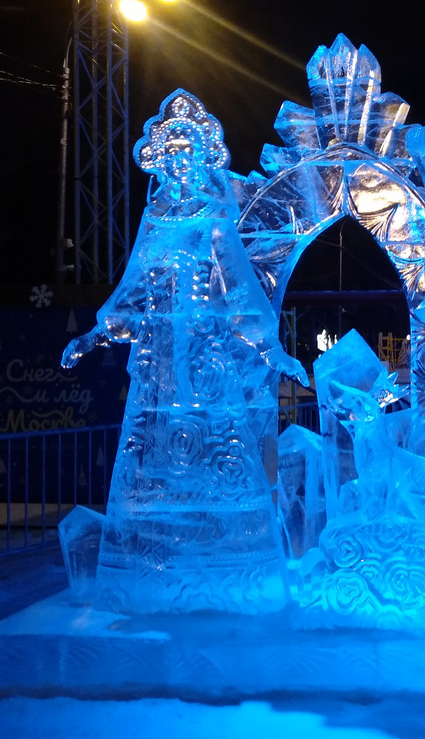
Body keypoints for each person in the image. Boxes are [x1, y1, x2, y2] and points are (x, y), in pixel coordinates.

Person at [63, 89, 307, 614]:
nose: (178, 163)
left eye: (187, 154)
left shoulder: (213, 219)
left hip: (207, 361)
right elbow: (129, 291)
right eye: (170, 155)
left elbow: (240, 289)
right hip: (158, 367)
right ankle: (149, 576)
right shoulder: (155, 219)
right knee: (156, 465)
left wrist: (273, 352)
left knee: (221, 460)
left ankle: (235, 578)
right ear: (160, 162)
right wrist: (93, 336)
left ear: (200, 159)